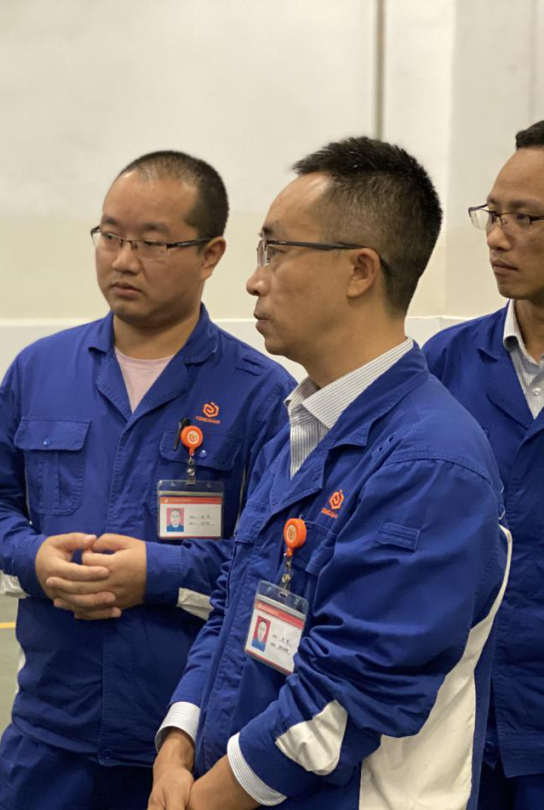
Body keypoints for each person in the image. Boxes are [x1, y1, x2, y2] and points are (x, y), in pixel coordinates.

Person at [150, 137, 510, 810]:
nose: (255, 279)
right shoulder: (300, 426)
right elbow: (232, 603)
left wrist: (206, 798)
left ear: (359, 271)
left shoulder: (430, 463)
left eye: (276, 250)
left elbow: (352, 693)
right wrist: (179, 742)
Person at [0, 151, 294, 810]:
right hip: (49, 738)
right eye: (110, 236)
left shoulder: (260, 395)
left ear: (211, 254)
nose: (123, 260)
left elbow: (276, 563)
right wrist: (34, 558)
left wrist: (159, 573)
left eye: (152, 243)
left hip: (185, 748)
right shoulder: (40, 370)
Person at [423, 120, 544, 809]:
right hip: (457, 719)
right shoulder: (445, 364)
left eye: (525, 218)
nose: (498, 237)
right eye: (493, 215)